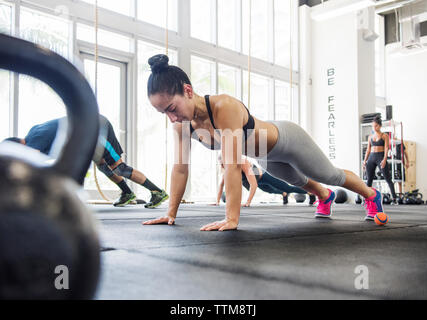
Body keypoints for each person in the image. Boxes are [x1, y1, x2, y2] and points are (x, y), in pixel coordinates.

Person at [143, 54, 384, 231]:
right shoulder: (181, 126)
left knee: (330, 175)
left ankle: (372, 195)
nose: (171, 117)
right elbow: (180, 168)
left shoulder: (223, 107)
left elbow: (232, 164)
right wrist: (170, 214)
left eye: (172, 108)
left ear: (187, 90)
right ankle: (324, 196)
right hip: (264, 155)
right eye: (163, 113)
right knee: (298, 181)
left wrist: (232, 218)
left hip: (287, 140)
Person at [4, 115, 169, 208]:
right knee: (104, 166)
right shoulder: (34, 136)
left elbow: (31, 169)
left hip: (96, 127)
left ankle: (157, 192)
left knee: (119, 168)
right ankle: (127, 193)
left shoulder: (34, 140)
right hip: (87, 135)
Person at [216, 155, 314, 206]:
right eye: (221, 164)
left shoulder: (243, 162)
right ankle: (283, 194)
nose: (223, 166)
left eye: (223, 163)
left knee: (288, 188)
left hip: (263, 176)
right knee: (269, 190)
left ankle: (310, 192)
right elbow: (221, 185)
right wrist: (217, 201)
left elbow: (253, 184)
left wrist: (248, 202)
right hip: (252, 179)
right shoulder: (226, 167)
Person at [363, 116, 397, 203]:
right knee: (369, 179)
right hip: (371, 157)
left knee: (387, 178)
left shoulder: (384, 135)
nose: (374, 128)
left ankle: (394, 198)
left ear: (380, 126)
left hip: (381, 157)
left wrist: (385, 159)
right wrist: (364, 161)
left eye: (376, 126)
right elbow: (368, 150)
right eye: (373, 126)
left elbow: (386, 148)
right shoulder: (370, 137)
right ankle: (367, 198)